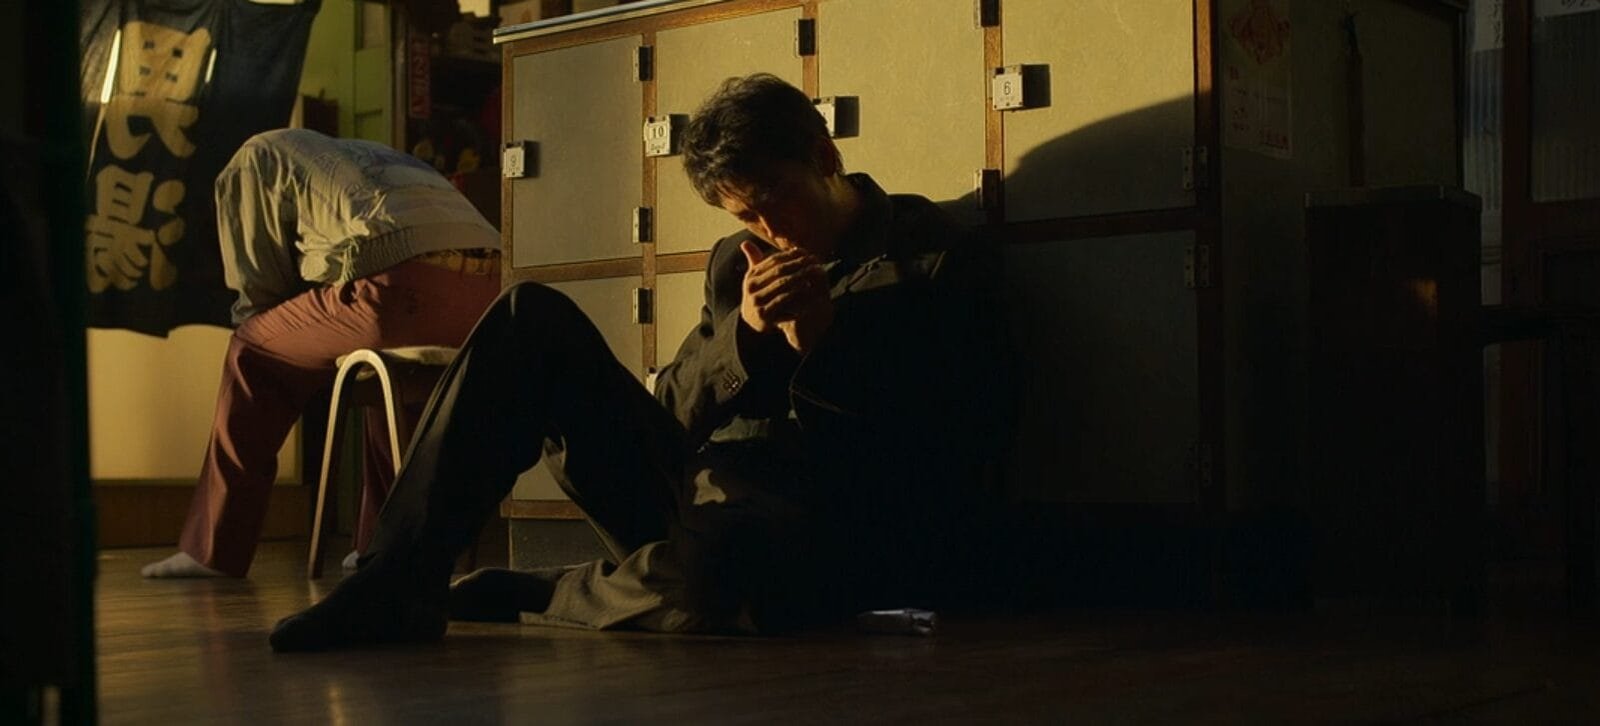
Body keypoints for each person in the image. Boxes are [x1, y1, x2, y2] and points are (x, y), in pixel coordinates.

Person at [267, 74, 1009, 651]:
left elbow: (937, 455)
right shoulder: (737, 263)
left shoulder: (932, 260)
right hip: (696, 497)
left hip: (815, 531)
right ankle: (397, 580)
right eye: (744, 215)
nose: (770, 228)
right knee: (527, 318)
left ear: (824, 156)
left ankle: (540, 592)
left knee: (728, 573)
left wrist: (823, 348)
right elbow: (674, 411)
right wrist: (745, 335)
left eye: (776, 199)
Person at [141, 129, 502, 579]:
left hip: (400, 287)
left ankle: (213, 548)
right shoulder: (366, 153)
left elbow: (261, 292)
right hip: (489, 292)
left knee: (252, 351)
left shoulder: (252, 157)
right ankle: (381, 544)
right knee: (392, 378)